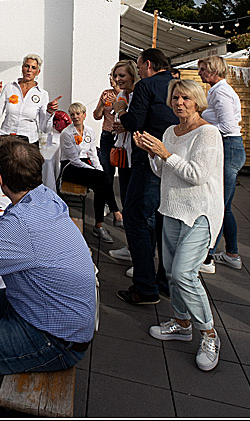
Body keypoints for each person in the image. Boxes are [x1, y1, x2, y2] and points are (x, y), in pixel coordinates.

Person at [0, 138, 96, 416]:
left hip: (54, 338)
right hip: (50, 312)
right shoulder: (45, 196)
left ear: (0, 179)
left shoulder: (21, 226)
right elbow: (6, 221)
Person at [133, 79, 224, 371]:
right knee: (171, 273)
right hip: (172, 209)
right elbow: (164, 172)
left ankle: (209, 334)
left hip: (200, 213)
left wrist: (164, 153)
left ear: (197, 101)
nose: (179, 102)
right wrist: (153, 154)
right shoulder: (170, 132)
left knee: (185, 273)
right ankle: (182, 323)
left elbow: (197, 175)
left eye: (185, 98)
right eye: (175, 97)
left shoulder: (208, 133)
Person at [114, 48, 178, 305]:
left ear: (149, 64)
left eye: (139, 66)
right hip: (173, 159)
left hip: (149, 159)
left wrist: (121, 111)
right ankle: (165, 281)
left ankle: (144, 286)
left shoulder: (146, 86)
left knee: (135, 217)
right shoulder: (176, 85)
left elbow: (135, 122)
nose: (139, 71)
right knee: (162, 220)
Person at [196, 56, 246, 273]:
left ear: (214, 70)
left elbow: (227, 126)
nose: (199, 73)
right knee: (225, 206)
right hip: (228, 147)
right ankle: (231, 253)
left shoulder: (221, 92)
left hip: (228, 147)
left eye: (202, 69)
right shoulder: (216, 90)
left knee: (218, 205)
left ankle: (207, 257)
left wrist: (199, 125)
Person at [59, 102, 112, 244]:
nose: (75, 117)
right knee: (102, 179)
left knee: (101, 185)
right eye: (72, 114)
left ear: (84, 115)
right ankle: (115, 211)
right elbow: (75, 160)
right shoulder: (66, 133)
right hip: (70, 167)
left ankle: (98, 225)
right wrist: (95, 172)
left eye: (78, 114)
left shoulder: (89, 131)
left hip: (85, 164)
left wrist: (99, 170)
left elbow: (93, 154)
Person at [93, 60, 137, 236]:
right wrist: (102, 105)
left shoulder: (127, 95)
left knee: (126, 177)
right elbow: (96, 116)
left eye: (119, 76)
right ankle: (113, 209)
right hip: (108, 136)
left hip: (123, 139)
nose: (114, 79)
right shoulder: (106, 94)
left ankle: (120, 213)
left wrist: (118, 100)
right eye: (113, 76)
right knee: (107, 174)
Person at [0, 54, 61, 144]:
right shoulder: (9, 87)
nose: (29, 70)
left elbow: (45, 129)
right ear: (22, 68)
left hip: (29, 142)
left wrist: (49, 112)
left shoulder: (42, 94)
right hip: (7, 139)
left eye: (33, 68)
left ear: (38, 72)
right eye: (27, 66)